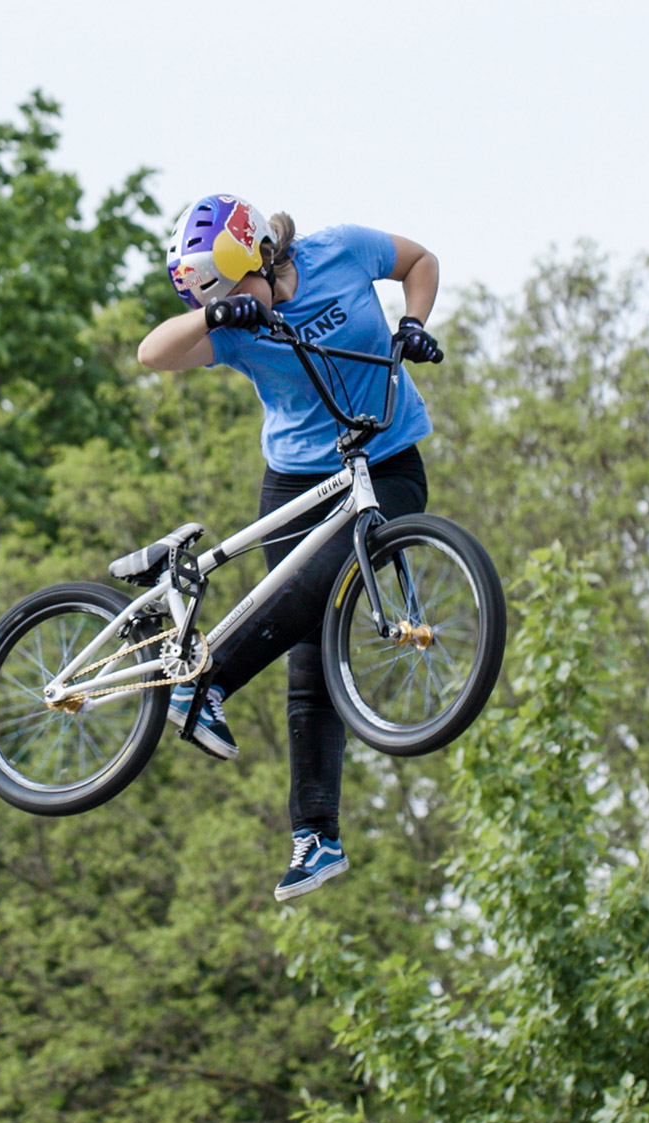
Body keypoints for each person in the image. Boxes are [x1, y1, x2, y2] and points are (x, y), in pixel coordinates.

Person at [136, 193, 441, 902]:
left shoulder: (341, 251)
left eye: (230, 288)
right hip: (297, 484)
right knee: (310, 640)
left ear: (256, 256)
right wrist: (218, 315)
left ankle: (204, 681)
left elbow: (419, 261)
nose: (236, 303)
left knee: (325, 597)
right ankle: (316, 837)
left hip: (386, 461)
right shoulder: (238, 329)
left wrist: (415, 323)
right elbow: (151, 353)